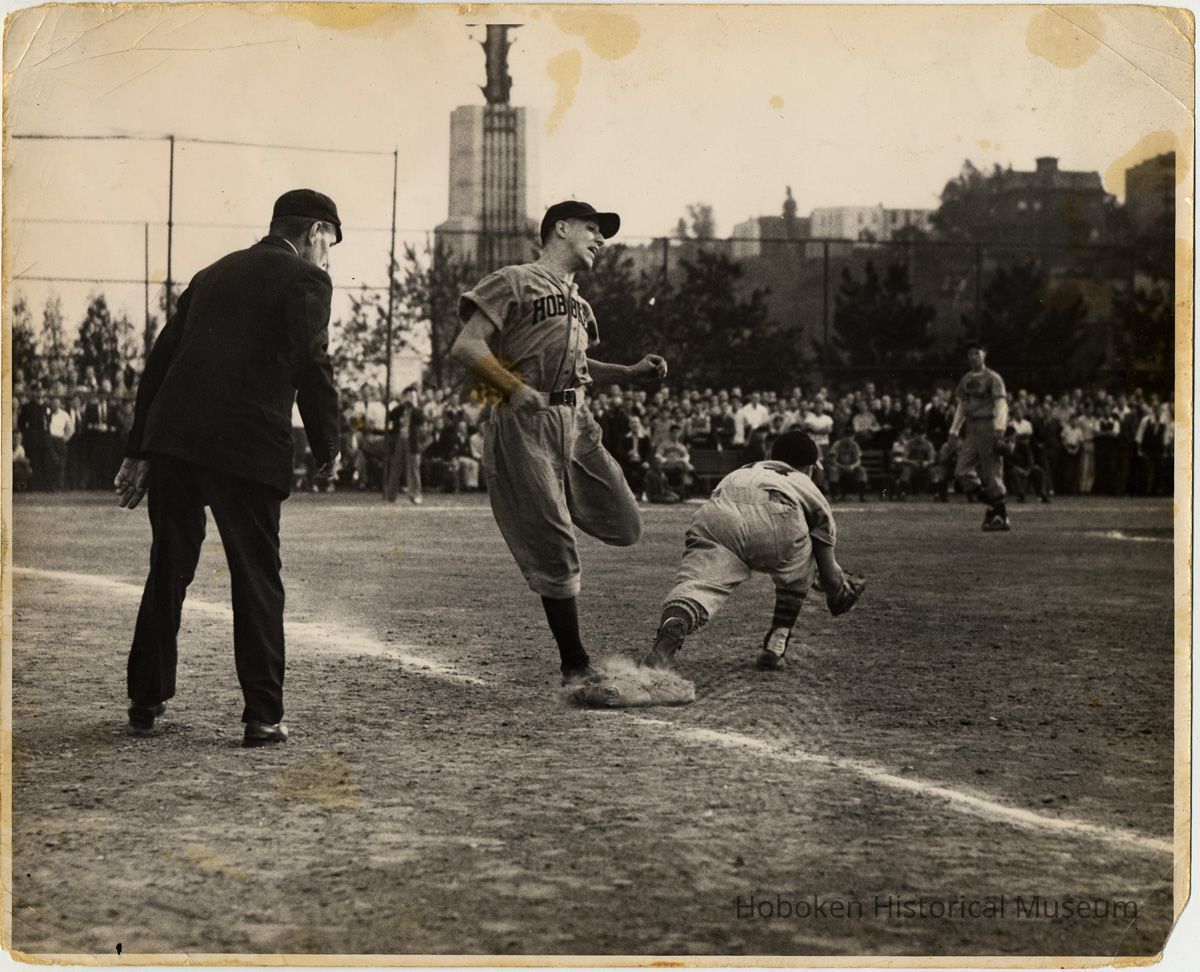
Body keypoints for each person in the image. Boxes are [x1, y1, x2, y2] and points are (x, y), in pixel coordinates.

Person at [114, 188, 342, 747]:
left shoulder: (211, 273)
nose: (328, 257)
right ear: (314, 233)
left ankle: (145, 700)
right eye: (329, 244)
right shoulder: (307, 280)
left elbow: (160, 362)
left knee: (168, 567)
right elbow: (311, 362)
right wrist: (329, 444)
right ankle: (262, 715)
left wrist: (140, 446)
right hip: (248, 445)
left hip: (177, 443)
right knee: (257, 577)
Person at [450, 200, 668, 685]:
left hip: (576, 420)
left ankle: (548, 511)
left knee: (626, 523)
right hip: (525, 421)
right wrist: (510, 386)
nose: (600, 239)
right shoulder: (515, 279)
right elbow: (466, 345)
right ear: (560, 229)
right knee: (556, 543)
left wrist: (629, 372)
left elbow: (584, 370)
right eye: (592, 229)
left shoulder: (580, 302)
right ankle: (575, 664)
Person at [640, 431, 864, 673]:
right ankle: (775, 647)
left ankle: (674, 627)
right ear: (809, 467)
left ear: (772, 457)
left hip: (718, 514)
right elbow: (828, 573)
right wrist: (839, 591)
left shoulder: (745, 469)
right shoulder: (805, 484)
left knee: (698, 584)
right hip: (778, 514)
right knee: (804, 562)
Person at [949, 342, 1010, 531]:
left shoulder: (993, 378)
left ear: (985, 354)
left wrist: (1000, 430)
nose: (974, 356)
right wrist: (954, 430)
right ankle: (993, 505)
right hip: (972, 427)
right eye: (970, 354)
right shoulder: (966, 379)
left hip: (988, 425)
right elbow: (962, 406)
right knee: (961, 470)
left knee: (991, 471)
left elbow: (1001, 405)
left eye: (977, 353)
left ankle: (1001, 515)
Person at [827, 429, 869, 502]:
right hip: (839, 467)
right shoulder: (837, 444)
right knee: (833, 470)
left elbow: (859, 460)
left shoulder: (854, 445)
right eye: (847, 437)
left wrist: (852, 466)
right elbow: (833, 460)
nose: (849, 439)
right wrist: (842, 467)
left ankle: (862, 497)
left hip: (852, 468)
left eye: (851, 437)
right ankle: (834, 497)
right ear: (843, 437)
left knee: (862, 470)